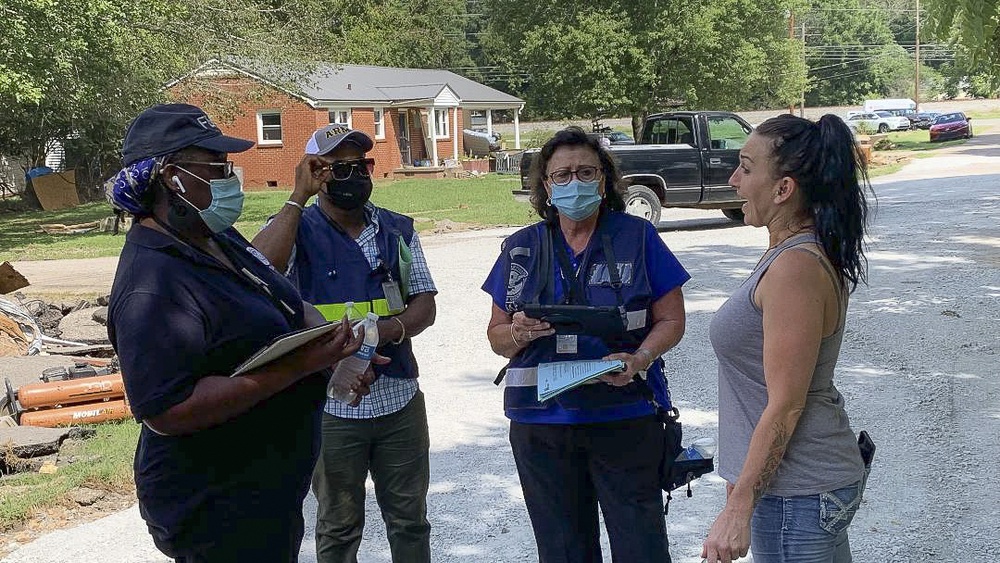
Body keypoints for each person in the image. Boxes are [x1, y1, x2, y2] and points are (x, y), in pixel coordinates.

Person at [106, 104, 374, 562]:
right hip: (216, 504)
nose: (231, 178)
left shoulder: (216, 238)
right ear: (173, 177)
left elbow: (282, 298)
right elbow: (168, 411)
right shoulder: (152, 284)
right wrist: (298, 367)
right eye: (217, 167)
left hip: (266, 489)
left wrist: (334, 354)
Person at [481, 126, 689, 562]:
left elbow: (671, 319)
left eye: (586, 172)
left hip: (624, 415)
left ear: (604, 179)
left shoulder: (637, 236)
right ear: (545, 185)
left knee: (641, 546)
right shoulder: (521, 249)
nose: (574, 183)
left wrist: (641, 357)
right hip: (541, 424)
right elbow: (497, 337)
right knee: (562, 550)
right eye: (562, 175)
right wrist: (517, 333)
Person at [252, 124, 438, 563]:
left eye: (362, 165)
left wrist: (390, 330)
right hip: (329, 408)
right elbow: (258, 274)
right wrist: (296, 197)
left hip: (399, 400)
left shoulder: (397, 230)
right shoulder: (294, 228)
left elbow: (424, 305)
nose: (354, 176)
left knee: (410, 522)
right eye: (339, 167)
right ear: (314, 172)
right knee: (337, 527)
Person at [702, 114, 873, 563]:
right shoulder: (789, 255)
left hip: (799, 493)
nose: (734, 179)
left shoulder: (795, 268)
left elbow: (786, 403)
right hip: (793, 491)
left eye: (745, 166)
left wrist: (738, 507)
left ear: (783, 189)